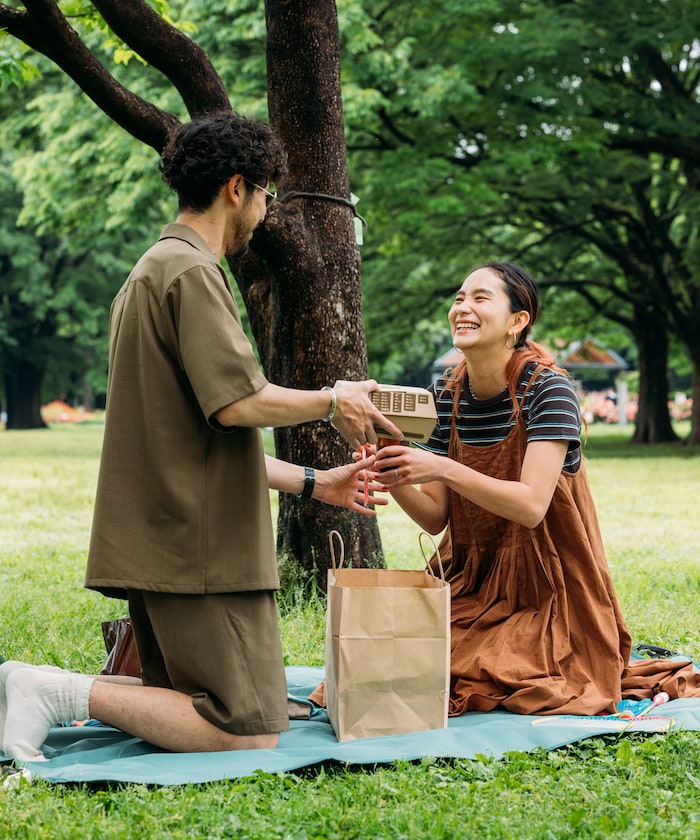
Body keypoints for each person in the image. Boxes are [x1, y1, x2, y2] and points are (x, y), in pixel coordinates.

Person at [0, 111, 402, 762]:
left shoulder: (149, 275)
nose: (266, 212)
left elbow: (194, 434)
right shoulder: (190, 272)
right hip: (198, 554)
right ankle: (49, 690)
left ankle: (55, 692)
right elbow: (240, 404)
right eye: (267, 195)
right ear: (237, 188)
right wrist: (335, 401)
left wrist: (315, 482)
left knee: (220, 707)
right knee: (246, 728)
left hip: (172, 543)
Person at [373, 261, 700, 716]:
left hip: (550, 585)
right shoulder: (445, 395)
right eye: (458, 298)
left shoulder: (550, 390)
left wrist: (440, 467)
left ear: (517, 321)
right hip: (472, 579)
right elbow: (435, 516)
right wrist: (395, 470)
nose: (462, 307)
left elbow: (529, 505)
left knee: (491, 670)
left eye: (480, 298)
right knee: (386, 655)